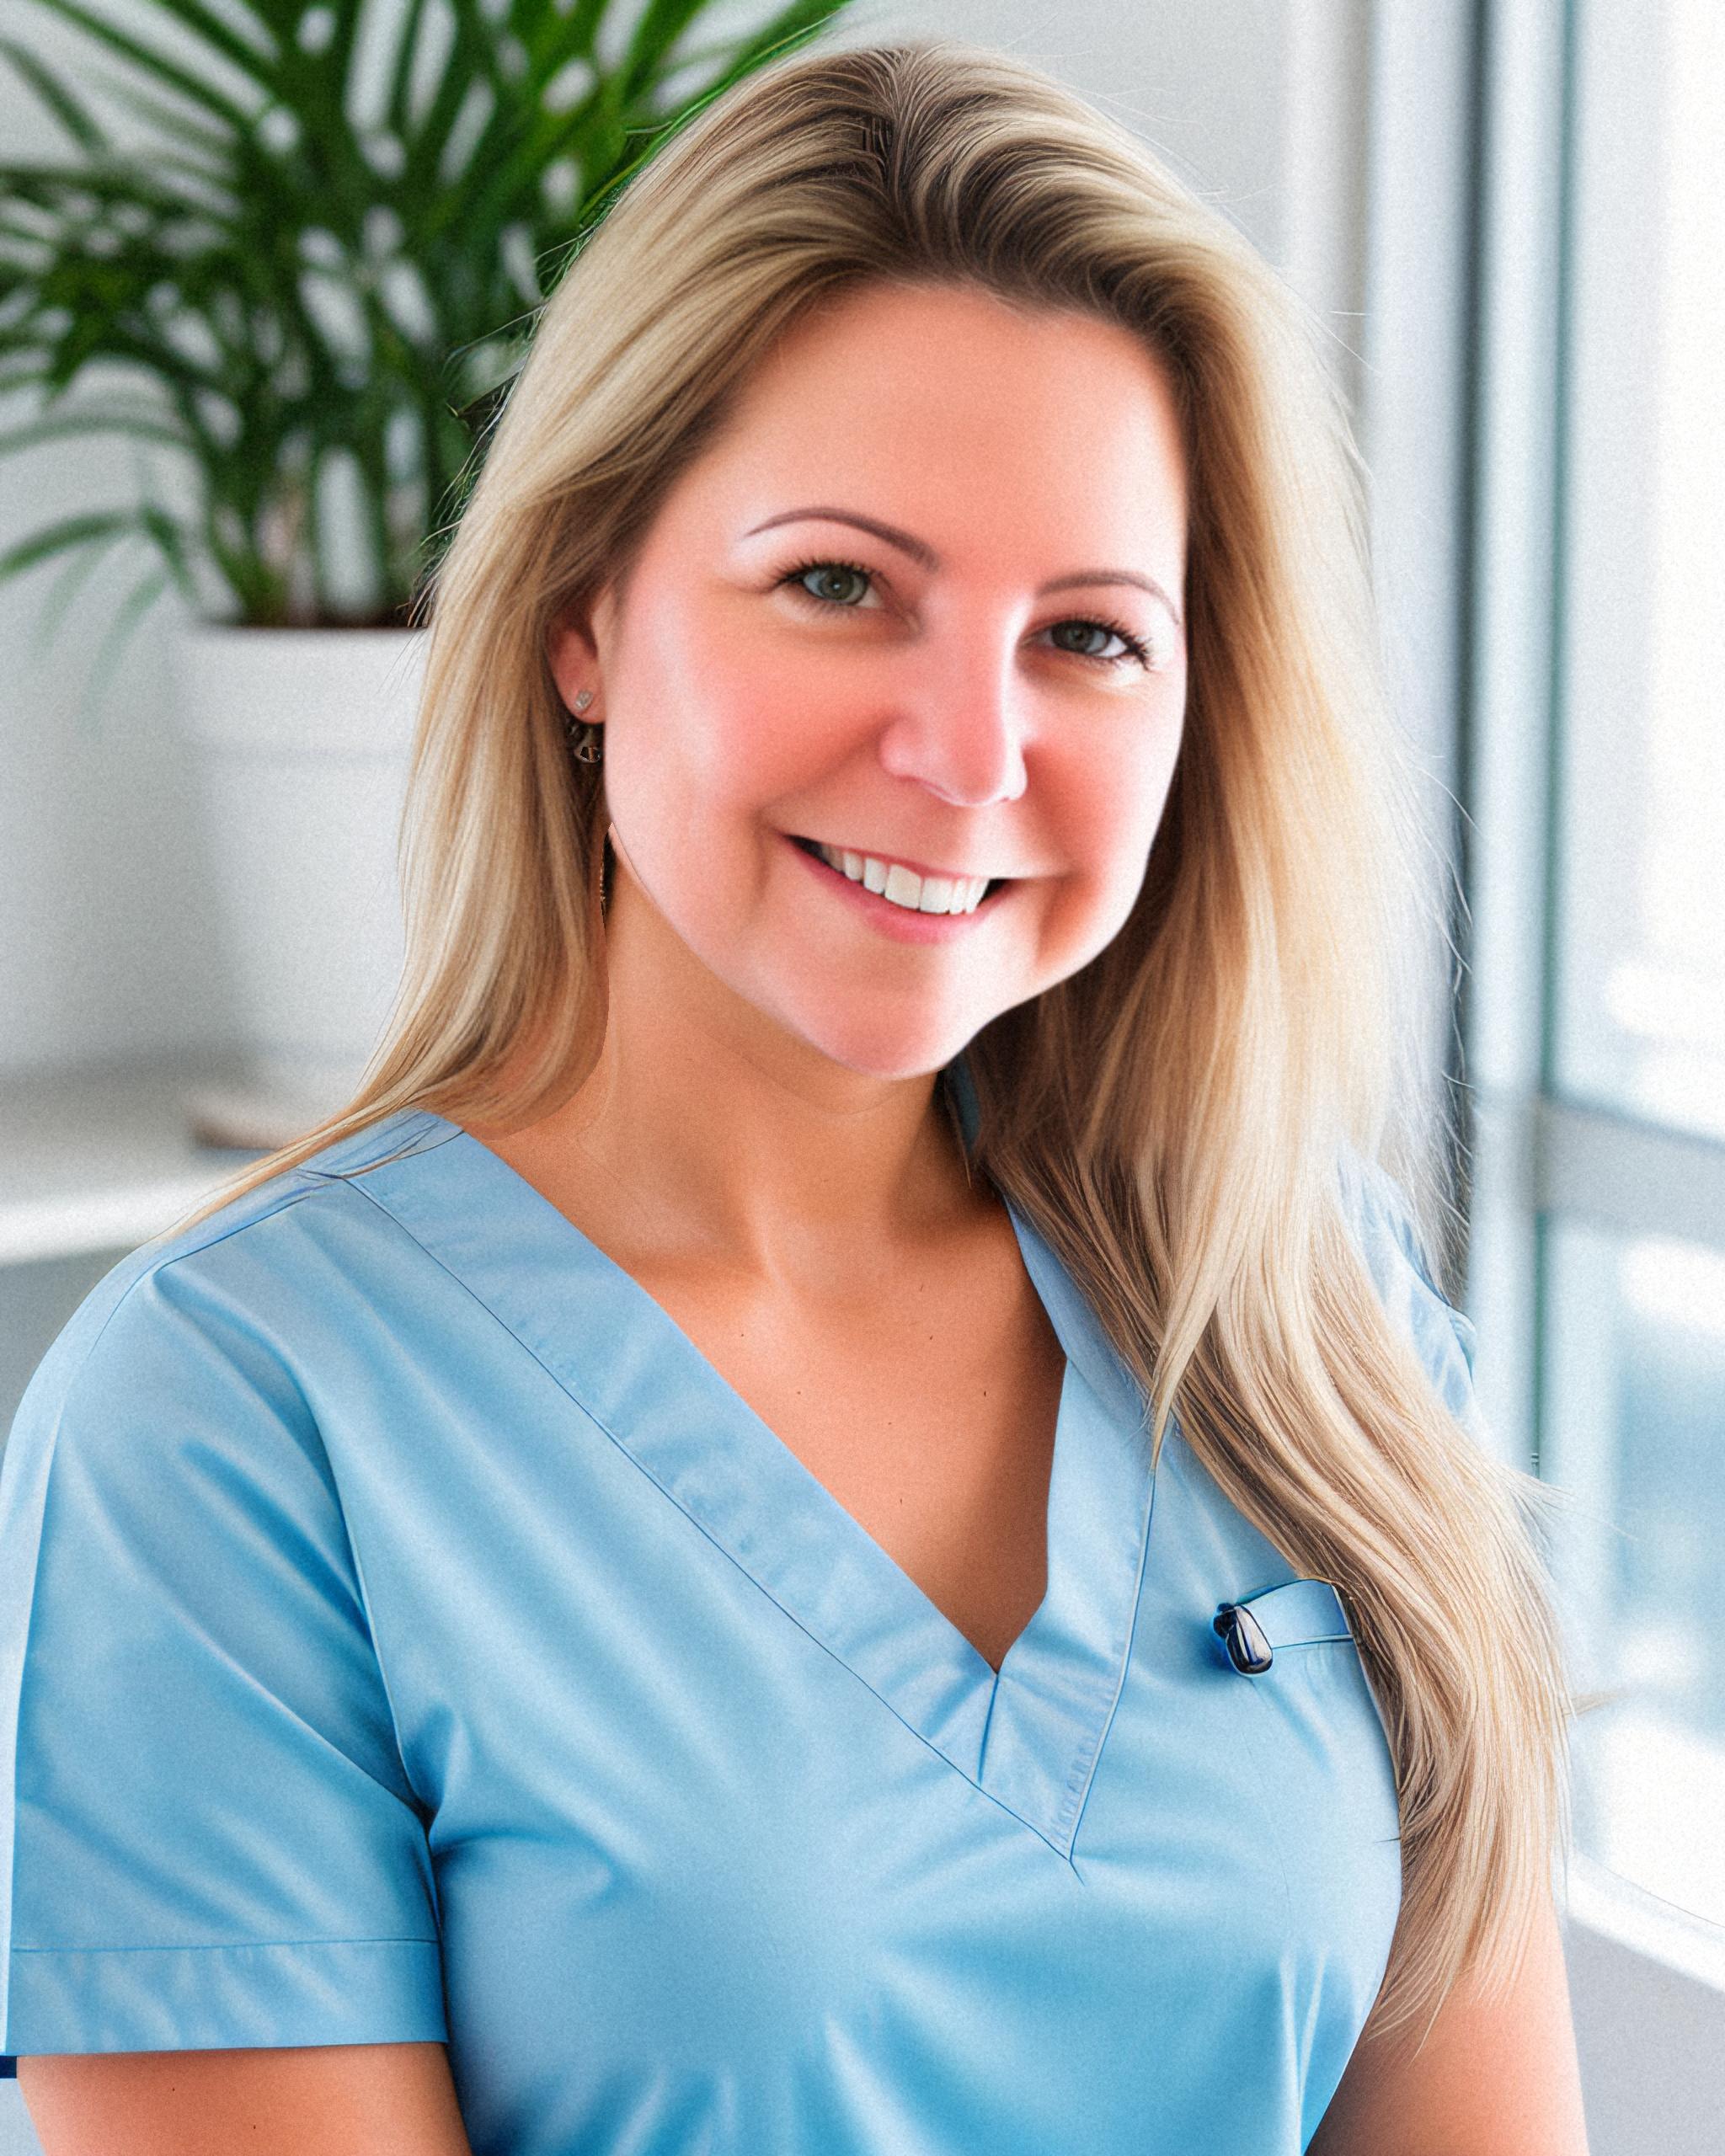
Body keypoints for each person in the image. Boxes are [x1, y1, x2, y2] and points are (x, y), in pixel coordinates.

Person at [0, 37, 1590, 2156]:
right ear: (585, 609)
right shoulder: (225, 1424)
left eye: (1090, 639)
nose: (967, 751)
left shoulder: (1313, 1310)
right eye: (839, 583)